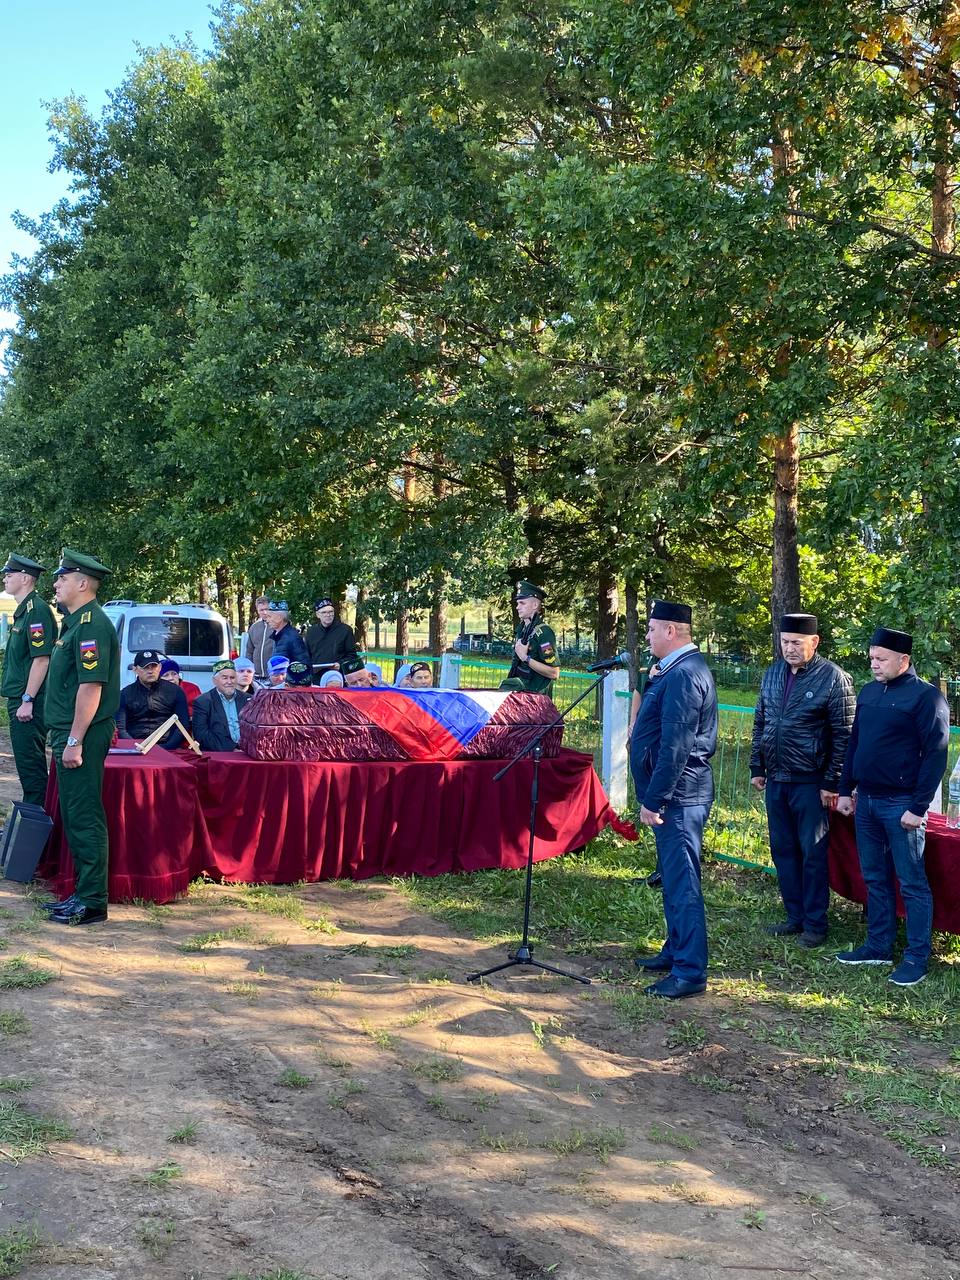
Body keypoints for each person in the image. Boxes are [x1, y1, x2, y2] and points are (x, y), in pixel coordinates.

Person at [835, 627, 949, 987]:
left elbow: (936, 755)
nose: (874, 664)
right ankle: (878, 945)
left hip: (902, 805)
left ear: (904, 660)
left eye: (881, 658)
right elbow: (855, 745)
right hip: (865, 800)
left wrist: (918, 807)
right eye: (871, 657)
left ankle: (917, 956)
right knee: (875, 877)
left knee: (912, 882)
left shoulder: (926, 698)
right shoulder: (869, 693)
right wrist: (844, 789)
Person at [629, 600, 718, 999]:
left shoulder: (684, 674)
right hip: (676, 797)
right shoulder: (675, 670)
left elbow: (677, 746)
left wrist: (655, 799)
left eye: (650, 630)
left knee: (683, 885)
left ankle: (689, 972)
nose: (646, 637)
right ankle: (675, 949)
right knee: (672, 880)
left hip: (679, 798)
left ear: (670, 631)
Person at [749, 613, 855, 947]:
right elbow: (761, 722)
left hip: (812, 783)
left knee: (813, 854)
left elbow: (845, 736)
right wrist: (757, 766)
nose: (790, 649)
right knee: (783, 849)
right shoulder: (773, 673)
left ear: (815, 642)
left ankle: (815, 924)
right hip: (777, 779)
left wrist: (832, 781)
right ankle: (794, 916)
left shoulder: (834, 679)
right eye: (784, 642)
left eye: (796, 642)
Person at [41, 549, 120, 926]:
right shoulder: (73, 624)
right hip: (69, 732)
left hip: (83, 734)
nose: (56, 584)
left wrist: (73, 741)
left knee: (85, 815)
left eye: (62, 578)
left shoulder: (91, 625)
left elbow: (91, 687)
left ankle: (92, 901)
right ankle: (82, 893)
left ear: (82, 583)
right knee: (74, 813)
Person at [0, 554, 58, 807]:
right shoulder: (24, 611)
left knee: (32, 772)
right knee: (27, 769)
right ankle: (31, 828)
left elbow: (41, 660)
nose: (5, 578)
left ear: (25, 578)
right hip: (20, 699)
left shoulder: (37, 612)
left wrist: (28, 699)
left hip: (28, 703)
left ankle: (37, 835)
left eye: (9, 574)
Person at [116, 650, 189, 748]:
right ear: (135, 669)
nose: (150, 671)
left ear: (159, 667)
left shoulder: (176, 691)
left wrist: (167, 748)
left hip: (168, 747)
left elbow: (182, 726)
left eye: (154, 666)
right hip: (135, 746)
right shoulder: (125, 694)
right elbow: (120, 728)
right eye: (145, 667)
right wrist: (136, 747)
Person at [499, 581, 560, 694]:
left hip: (536, 699)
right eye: (517, 603)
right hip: (520, 695)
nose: (517, 607)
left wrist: (525, 657)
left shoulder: (544, 633)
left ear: (535, 605)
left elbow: (554, 673)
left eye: (522, 603)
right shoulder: (521, 630)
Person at [191, 660, 254, 752]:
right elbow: (201, 734)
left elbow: (254, 729)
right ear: (214, 681)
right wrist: (231, 749)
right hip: (218, 753)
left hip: (246, 752)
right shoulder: (203, 701)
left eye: (232, 678)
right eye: (224, 678)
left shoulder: (249, 700)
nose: (229, 682)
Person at [305, 596, 358, 677]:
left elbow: (352, 655)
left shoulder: (345, 630)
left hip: (337, 676)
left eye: (330, 611)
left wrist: (340, 664)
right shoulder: (311, 632)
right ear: (318, 615)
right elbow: (306, 655)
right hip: (316, 677)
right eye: (324, 612)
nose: (328, 615)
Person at [266, 599, 310, 665]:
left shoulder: (293, 638)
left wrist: (286, 674)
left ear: (279, 618)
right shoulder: (278, 637)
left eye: (269, 617)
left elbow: (304, 665)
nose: (267, 620)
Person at [245, 596, 275, 678]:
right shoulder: (254, 627)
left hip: (274, 675)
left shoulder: (277, 626)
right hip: (256, 675)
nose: (265, 612)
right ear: (258, 611)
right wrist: (249, 669)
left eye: (267, 609)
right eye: (261, 610)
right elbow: (249, 651)